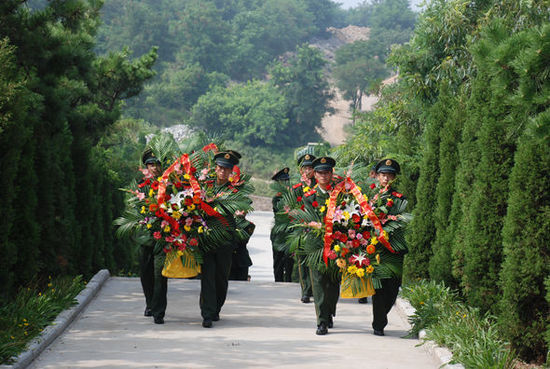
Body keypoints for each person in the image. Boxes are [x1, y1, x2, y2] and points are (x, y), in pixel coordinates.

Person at [200, 151, 242, 328]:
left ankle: (216, 308)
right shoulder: (204, 187)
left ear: (231, 171)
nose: (223, 172)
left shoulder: (235, 191)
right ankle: (207, 313)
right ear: (215, 168)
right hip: (207, 238)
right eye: (220, 168)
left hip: (225, 239)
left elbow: (242, 208)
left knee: (221, 277)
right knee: (207, 277)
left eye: (226, 169)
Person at [304, 156, 341, 335]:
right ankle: (321, 321)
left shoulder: (340, 194)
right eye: (320, 172)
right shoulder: (309, 196)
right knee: (318, 283)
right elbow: (307, 219)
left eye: (327, 172)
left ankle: (329, 311)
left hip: (336, 245)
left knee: (333, 284)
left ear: (332, 174)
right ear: (314, 175)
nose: (323, 175)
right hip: (317, 246)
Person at [370, 158, 407, 336]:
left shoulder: (400, 199)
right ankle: (378, 324)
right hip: (376, 250)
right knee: (379, 287)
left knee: (392, 288)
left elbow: (402, 221)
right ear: (377, 176)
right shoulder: (370, 198)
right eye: (383, 175)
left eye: (390, 175)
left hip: (393, 249)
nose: (386, 179)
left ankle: (381, 315)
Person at [138, 148, 168, 324]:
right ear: (146, 166)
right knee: (145, 273)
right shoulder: (140, 185)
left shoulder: (169, 184)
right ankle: (149, 303)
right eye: (151, 164)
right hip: (144, 237)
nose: (155, 168)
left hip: (162, 237)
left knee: (159, 275)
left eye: (157, 164)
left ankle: (158, 311)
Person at [293, 154, 316, 303]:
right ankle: (305, 291)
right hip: (302, 228)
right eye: (305, 168)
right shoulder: (297, 188)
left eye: (310, 168)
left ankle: (315, 288)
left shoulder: (318, 186)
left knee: (314, 261)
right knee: (302, 261)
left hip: (316, 228)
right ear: (301, 170)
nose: (307, 171)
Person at [270, 167, 294, 282]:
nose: (285, 184)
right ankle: (278, 282)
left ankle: (289, 281)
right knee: (278, 260)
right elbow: (281, 213)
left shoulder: (293, 195)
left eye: (286, 181)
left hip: (290, 232)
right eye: (282, 182)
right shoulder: (277, 198)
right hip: (279, 233)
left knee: (289, 261)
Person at [358, 163, 377, 305]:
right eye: (375, 174)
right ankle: (362, 292)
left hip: (377, 233)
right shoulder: (364, 190)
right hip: (364, 231)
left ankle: (370, 289)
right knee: (362, 261)